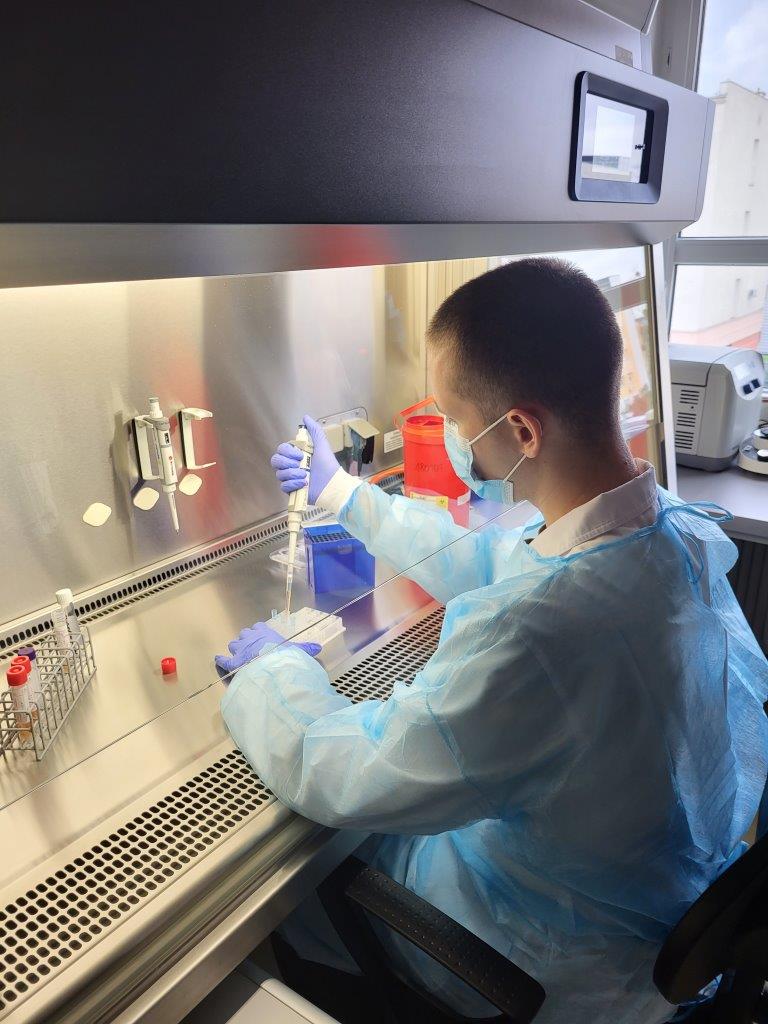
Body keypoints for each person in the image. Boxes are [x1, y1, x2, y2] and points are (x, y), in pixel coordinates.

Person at [217, 258, 768, 1024]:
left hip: (547, 963)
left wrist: (273, 679)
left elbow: (346, 776)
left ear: (521, 431)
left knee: (291, 896)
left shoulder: (539, 634)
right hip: (645, 902)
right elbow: (497, 561)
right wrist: (345, 497)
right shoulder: (668, 532)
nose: (450, 438)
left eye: (453, 417)